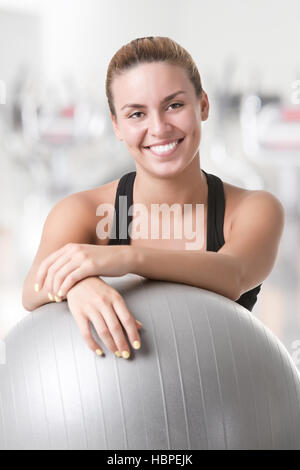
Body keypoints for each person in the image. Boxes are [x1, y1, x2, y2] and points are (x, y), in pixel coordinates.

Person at [22, 36, 285, 360]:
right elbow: (33, 287)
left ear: (203, 104)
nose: (159, 128)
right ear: (116, 125)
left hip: (225, 406)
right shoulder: (84, 212)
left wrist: (122, 259)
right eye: (136, 114)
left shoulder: (252, 209)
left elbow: (231, 275)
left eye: (174, 105)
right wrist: (78, 284)